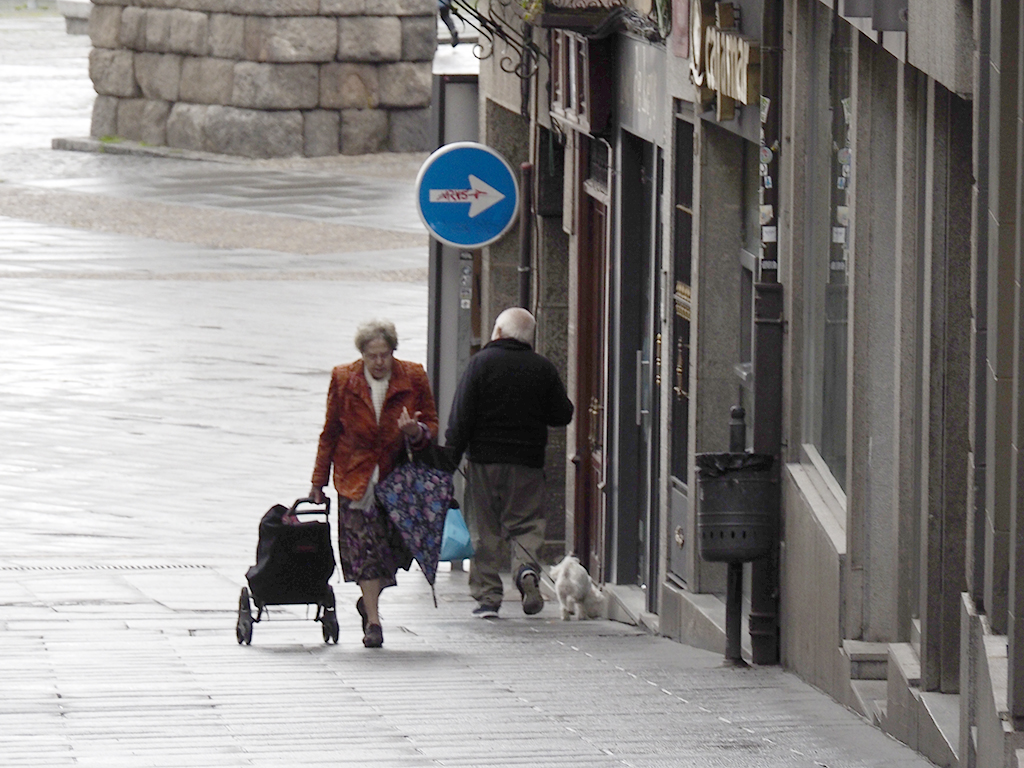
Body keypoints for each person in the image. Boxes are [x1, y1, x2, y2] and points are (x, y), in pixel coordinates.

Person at [310, 320, 438, 648]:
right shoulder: (343, 379)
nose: (379, 362)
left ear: (394, 352)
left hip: (398, 480)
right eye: (372, 356)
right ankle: (374, 623)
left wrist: (416, 431)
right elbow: (330, 433)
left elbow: (432, 422)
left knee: (398, 551)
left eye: (385, 355)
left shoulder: (413, 376)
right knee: (365, 552)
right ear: (362, 355)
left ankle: (369, 601)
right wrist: (318, 482)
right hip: (355, 478)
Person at [445, 307, 574, 618]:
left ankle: (488, 598)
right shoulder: (542, 368)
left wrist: (448, 462)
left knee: (484, 529)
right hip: (527, 463)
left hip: (484, 463)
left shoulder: (479, 365)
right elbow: (563, 414)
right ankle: (527, 573)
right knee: (527, 524)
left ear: (499, 333)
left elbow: (460, 418)